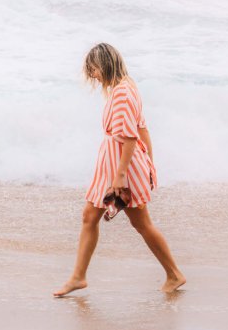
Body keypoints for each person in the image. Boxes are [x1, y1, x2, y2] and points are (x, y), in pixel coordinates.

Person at [54, 43, 186, 297]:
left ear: (104, 64)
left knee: (141, 224)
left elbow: (129, 138)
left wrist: (122, 176)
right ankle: (78, 277)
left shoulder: (123, 92)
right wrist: (150, 164)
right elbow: (143, 129)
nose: (93, 75)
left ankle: (174, 273)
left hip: (122, 166)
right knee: (89, 217)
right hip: (117, 164)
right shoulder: (125, 87)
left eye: (93, 69)